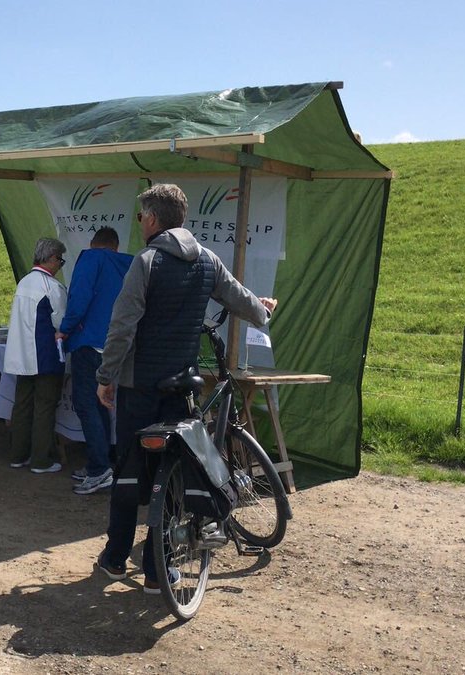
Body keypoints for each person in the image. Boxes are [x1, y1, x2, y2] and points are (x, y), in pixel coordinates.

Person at [93, 184, 277, 594]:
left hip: (139, 385)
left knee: (128, 470)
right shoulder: (208, 260)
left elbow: (122, 327)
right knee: (173, 474)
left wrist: (106, 377)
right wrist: (262, 313)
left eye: (142, 216)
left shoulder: (146, 262)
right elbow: (241, 299)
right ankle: (161, 571)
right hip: (181, 384)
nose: (141, 223)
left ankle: (115, 558)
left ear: (153, 219)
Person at [55, 226, 133, 495]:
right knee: (105, 403)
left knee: (86, 403)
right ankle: (104, 463)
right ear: (116, 246)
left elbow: (80, 297)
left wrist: (65, 328)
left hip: (89, 343)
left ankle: (99, 469)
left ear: (93, 243)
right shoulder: (130, 264)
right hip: (120, 346)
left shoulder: (90, 259)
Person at [4, 238, 69, 474]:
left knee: (21, 405)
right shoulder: (51, 287)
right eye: (60, 260)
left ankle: (17, 455)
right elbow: (62, 321)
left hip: (21, 354)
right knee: (44, 406)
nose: (60, 264)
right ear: (51, 258)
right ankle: (40, 459)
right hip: (45, 355)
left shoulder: (24, 283)